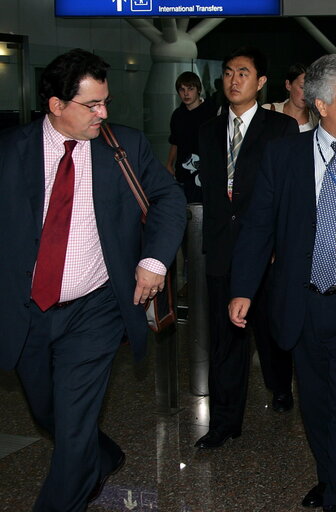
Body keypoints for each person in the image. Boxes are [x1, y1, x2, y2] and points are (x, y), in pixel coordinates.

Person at [0, 48, 186, 511]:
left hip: (96, 307)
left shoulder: (122, 148)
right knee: (49, 413)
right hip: (28, 310)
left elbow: (170, 200)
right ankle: (101, 457)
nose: (103, 114)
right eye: (92, 105)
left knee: (75, 419)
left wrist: (154, 262)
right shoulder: (9, 151)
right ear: (56, 105)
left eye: (106, 102)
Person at [229, 54, 336, 512]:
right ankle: (331, 479)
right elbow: (259, 225)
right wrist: (243, 288)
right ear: (321, 104)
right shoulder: (284, 155)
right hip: (300, 304)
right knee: (317, 410)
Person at [196, 46, 298, 450]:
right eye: (227, 72)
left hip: (267, 252)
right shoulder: (207, 130)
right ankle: (224, 422)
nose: (233, 80)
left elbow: (288, 194)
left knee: (271, 331)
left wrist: (278, 243)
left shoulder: (280, 128)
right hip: (223, 250)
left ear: (260, 82)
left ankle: (281, 386)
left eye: (243, 73)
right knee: (225, 339)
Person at [165, 71, 218, 203]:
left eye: (190, 89)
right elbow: (175, 141)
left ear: (198, 90)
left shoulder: (211, 112)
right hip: (183, 174)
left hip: (207, 173)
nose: (186, 93)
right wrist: (169, 164)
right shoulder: (177, 115)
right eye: (182, 89)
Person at [263, 63, 318, 132]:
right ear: (288, 85)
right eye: (302, 87)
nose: (307, 93)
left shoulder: (317, 118)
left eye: (310, 88)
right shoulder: (267, 111)